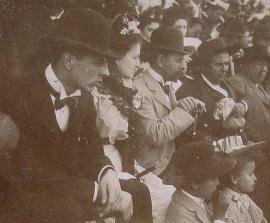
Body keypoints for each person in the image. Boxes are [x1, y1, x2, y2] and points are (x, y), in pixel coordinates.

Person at [2, 8, 151, 222]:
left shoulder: (84, 98)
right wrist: (93, 191)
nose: (107, 72)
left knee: (138, 193)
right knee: (70, 211)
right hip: (23, 198)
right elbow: (29, 174)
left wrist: (106, 173)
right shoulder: (22, 94)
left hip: (66, 192)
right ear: (69, 60)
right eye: (99, 62)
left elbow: (91, 151)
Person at [133, 26, 206, 176]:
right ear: (160, 60)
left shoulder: (166, 85)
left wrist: (190, 108)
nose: (183, 66)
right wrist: (183, 111)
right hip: (146, 171)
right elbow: (155, 134)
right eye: (178, 60)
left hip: (165, 167)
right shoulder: (139, 87)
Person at [176, 38, 254, 145]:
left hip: (237, 145)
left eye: (226, 64)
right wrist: (221, 127)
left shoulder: (226, 84)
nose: (224, 69)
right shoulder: (189, 89)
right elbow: (187, 133)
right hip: (209, 151)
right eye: (218, 64)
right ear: (204, 65)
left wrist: (243, 105)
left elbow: (248, 98)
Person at [93, 13, 142, 172]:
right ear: (117, 58)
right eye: (134, 58)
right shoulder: (99, 92)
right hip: (103, 161)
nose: (138, 64)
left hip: (124, 159)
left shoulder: (129, 86)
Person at [165, 141, 237, 223]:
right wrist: (220, 217)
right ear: (195, 183)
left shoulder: (198, 200)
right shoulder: (179, 214)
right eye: (213, 178)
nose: (218, 183)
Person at [228, 47, 270, 143]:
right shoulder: (237, 81)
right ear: (246, 65)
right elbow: (251, 100)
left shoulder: (256, 84)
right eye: (259, 64)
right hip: (251, 140)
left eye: (266, 66)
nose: (264, 69)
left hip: (266, 139)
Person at [213, 144, 267, 223]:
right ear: (234, 178)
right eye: (250, 174)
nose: (255, 178)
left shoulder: (243, 197)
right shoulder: (226, 206)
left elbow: (262, 220)